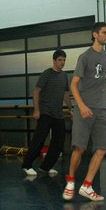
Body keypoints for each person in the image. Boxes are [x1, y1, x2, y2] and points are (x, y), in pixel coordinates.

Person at [63, 22, 106, 202]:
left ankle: (87, 185)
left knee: (102, 148)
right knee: (80, 147)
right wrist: (82, 106)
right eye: (105, 32)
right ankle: (70, 181)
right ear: (95, 34)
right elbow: (73, 84)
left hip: (101, 109)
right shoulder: (85, 57)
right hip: (84, 108)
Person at [21, 49, 71, 177]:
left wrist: (71, 109)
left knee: (59, 141)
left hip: (58, 113)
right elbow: (36, 91)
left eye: (64, 60)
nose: (62, 62)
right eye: (60, 60)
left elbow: (66, 93)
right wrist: (37, 110)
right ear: (54, 61)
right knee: (39, 139)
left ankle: (45, 167)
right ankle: (27, 165)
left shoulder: (64, 76)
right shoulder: (46, 74)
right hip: (45, 112)